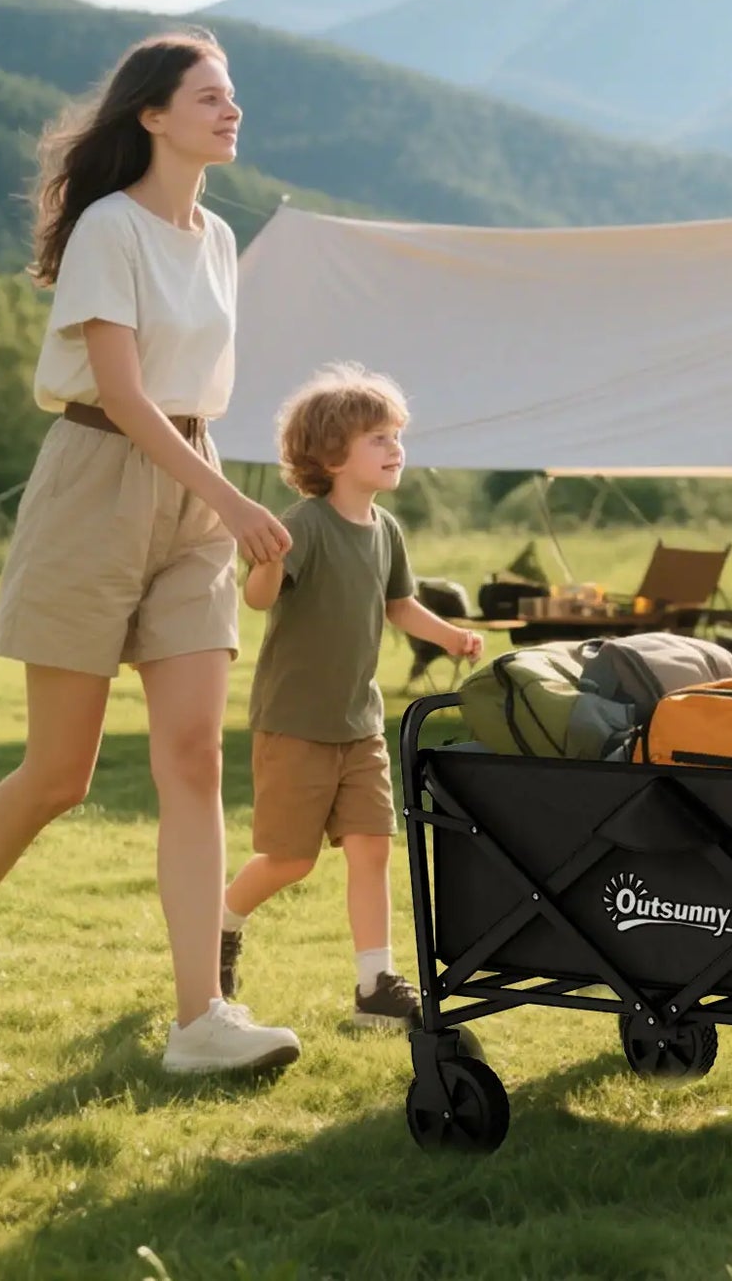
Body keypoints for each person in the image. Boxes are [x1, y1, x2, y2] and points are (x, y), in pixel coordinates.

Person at [0, 33, 303, 1075]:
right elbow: (121, 393)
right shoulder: (109, 229)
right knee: (59, 772)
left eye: (233, 95)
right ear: (153, 116)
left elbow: (189, 391)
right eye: (210, 96)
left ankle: (198, 1015)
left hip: (190, 489)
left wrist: (212, 495)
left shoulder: (214, 236)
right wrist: (229, 497)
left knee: (194, 756)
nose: (232, 109)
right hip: (96, 480)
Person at [219, 365, 483, 1031]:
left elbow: (399, 604)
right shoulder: (302, 525)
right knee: (291, 859)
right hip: (295, 724)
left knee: (372, 848)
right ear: (331, 454)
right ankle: (219, 925)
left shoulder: (386, 529)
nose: (395, 448)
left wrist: (449, 636)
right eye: (378, 438)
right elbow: (258, 598)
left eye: (397, 435)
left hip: (360, 725)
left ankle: (374, 987)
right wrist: (269, 561)